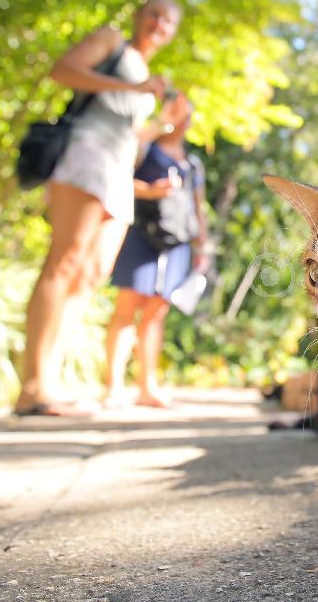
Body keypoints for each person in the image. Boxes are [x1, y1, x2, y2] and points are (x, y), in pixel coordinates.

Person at [15, 0, 189, 416]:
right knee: (65, 262)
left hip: (116, 172)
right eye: (154, 14)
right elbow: (63, 71)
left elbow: (128, 135)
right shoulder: (113, 43)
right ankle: (32, 387)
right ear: (138, 14)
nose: (159, 25)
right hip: (86, 155)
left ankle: (51, 382)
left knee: (90, 276)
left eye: (168, 22)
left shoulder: (147, 74)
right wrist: (134, 87)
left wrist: (161, 127)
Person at [104, 105, 210, 409]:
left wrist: (201, 248)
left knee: (156, 312)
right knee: (126, 307)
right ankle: (113, 387)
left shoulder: (192, 164)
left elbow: (197, 207)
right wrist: (149, 191)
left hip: (177, 242)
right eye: (178, 114)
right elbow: (116, 176)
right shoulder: (145, 147)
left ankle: (147, 386)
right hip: (141, 235)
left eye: (187, 114)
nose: (184, 121)